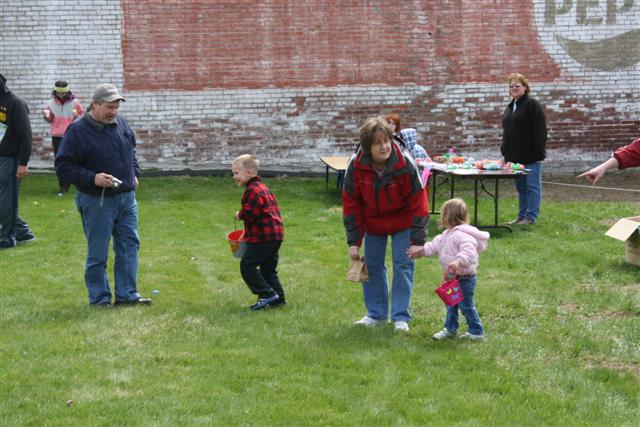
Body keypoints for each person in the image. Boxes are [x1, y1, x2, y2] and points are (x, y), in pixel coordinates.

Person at [55, 83, 151, 307]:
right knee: (98, 252)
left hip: (126, 199)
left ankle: (128, 295)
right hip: (96, 201)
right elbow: (63, 166)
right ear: (95, 104)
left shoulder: (121, 123)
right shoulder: (77, 131)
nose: (114, 112)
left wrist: (134, 173)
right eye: (109, 107)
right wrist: (92, 178)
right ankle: (100, 299)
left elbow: (131, 150)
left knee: (129, 246)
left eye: (116, 107)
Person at [343, 116, 429, 332]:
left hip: (404, 220)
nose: (384, 146)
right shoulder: (355, 165)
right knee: (372, 266)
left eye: (387, 141)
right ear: (367, 147)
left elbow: (419, 201)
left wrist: (418, 240)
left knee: (403, 265)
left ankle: (400, 317)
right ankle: (376, 314)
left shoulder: (404, 162)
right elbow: (351, 204)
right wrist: (354, 241)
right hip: (373, 222)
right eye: (378, 142)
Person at [407, 198, 489, 341]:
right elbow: (433, 246)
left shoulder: (463, 235)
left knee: (465, 305)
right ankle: (450, 329)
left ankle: (476, 331)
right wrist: (420, 251)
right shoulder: (446, 235)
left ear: (448, 216)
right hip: (451, 278)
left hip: (465, 279)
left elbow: (468, 252)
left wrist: (458, 261)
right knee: (451, 304)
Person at [232, 154, 286, 310]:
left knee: (247, 266)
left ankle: (267, 294)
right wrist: (245, 233)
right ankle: (278, 299)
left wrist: (240, 215)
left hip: (264, 237)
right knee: (268, 269)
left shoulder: (252, 191)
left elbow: (251, 214)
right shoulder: (263, 187)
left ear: (249, 173)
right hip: (275, 236)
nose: (234, 177)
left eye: (236, 173)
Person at [501, 72, 547, 225]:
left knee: (532, 187)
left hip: (531, 156)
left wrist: (538, 152)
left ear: (525, 87)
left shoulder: (531, 104)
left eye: (517, 85)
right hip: (514, 157)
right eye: (511, 86)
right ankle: (521, 216)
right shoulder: (511, 106)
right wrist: (505, 153)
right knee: (521, 188)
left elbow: (540, 130)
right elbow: (508, 132)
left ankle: (530, 217)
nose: (514, 88)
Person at [0, 73, 37, 250]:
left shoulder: (15, 103)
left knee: (7, 200)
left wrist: (23, 162)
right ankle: (24, 232)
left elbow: (26, 135)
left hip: (10, 159)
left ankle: (8, 237)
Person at [42, 80, 84, 195]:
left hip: (71, 135)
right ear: (55, 92)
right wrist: (46, 116)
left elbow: (82, 117)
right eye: (59, 93)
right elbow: (50, 119)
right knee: (60, 161)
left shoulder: (75, 102)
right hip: (57, 136)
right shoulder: (50, 103)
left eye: (63, 93)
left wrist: (76, 117)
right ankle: (63, 186)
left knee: (74, 159)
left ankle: (76, 181)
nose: (61, 95)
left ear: (67, 92)